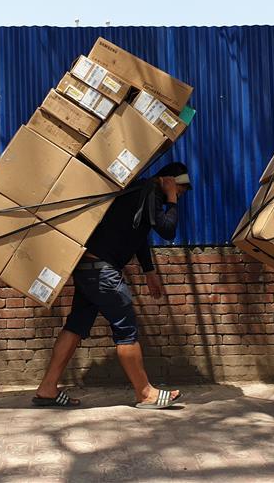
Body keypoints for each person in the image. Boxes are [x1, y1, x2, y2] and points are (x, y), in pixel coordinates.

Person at [33, 162, 192, 409]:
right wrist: (171, 199)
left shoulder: (140, 192)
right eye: (181, 188)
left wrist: (149, 271)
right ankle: (145, 393)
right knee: (126, 329)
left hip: (88, 268)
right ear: (169, 180)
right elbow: (168, 230)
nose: (181, 194)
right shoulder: (150, 192)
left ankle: (47, 388)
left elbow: (138, 234)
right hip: (103, 273)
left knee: (76, 325)